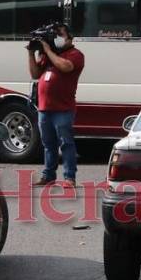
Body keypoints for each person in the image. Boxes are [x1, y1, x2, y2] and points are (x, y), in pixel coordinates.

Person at [28, 24, 85, 187]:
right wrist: (31, 53)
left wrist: (48, 50)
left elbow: (65, 67)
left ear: (70, 37)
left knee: (66, 143)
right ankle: (48, 175)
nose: (57, 38)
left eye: (60, 34)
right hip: (44, 108)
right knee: (48, 144)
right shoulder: (48, 55)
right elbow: (34, 74)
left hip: (63, 108)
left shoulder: (75, 54)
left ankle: (69, 177)